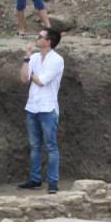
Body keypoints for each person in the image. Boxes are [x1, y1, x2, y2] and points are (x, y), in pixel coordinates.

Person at [17, 27, 64, 194]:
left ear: (48, 41)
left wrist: (31, 75)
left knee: (51, 146)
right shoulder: (35, 58)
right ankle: (35, 179)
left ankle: (53, 182)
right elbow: (24, 78)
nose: (37, 38)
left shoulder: (57, 60)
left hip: (48, 108)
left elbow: (41, 81)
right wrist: (27, 57)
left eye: (40, 36)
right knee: (35, 145)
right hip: (32, 106)